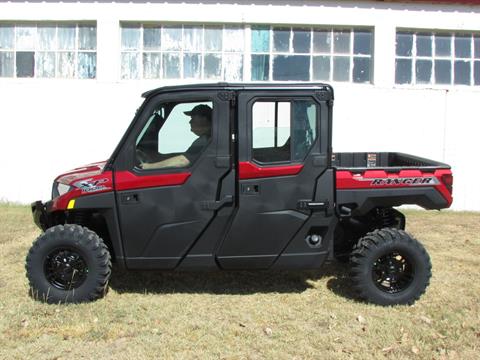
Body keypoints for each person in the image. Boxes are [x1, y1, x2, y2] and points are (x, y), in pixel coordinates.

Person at [141, 104, 212, 169]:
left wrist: (149, 166)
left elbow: (183, 161)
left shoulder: (206, 140)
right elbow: (186, 155)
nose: (190, 122)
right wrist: (157, 157)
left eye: (193, 118)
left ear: (204, 118)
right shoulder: (209, 138)